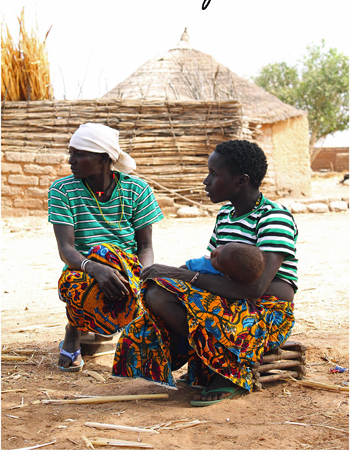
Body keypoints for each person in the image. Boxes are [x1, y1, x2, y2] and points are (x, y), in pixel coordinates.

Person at [112, 139, 298, 406]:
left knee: (162, 292)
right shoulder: (225, 215)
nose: (206, 180)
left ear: (241, 180)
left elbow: (255, 289)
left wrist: (185, 277)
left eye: (215, 174)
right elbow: (211, 264)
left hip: (266, 312)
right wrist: (173, 274)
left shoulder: (273, 218)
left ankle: (230, 370)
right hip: (230, 300)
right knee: (155, 292)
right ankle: (211, 358)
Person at [48, 122, 163, 371]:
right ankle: (73, 331)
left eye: (79, 154)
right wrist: (94, 268)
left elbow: (145, 247)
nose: (71, 160)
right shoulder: (62, 190)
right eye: (71, 152)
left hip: (125, 265)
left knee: (149, 290)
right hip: (83, 266)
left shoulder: (137, 190)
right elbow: (66, 249)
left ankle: (112, 326)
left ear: (103, 158)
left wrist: (139, 278)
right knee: (89, 268)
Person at [185, 242, 266, 285]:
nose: (215, 252)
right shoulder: (206, 262)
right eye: (223, 247)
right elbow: (183, 269)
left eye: (217, 260)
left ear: (228, 276)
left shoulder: (204, 264)